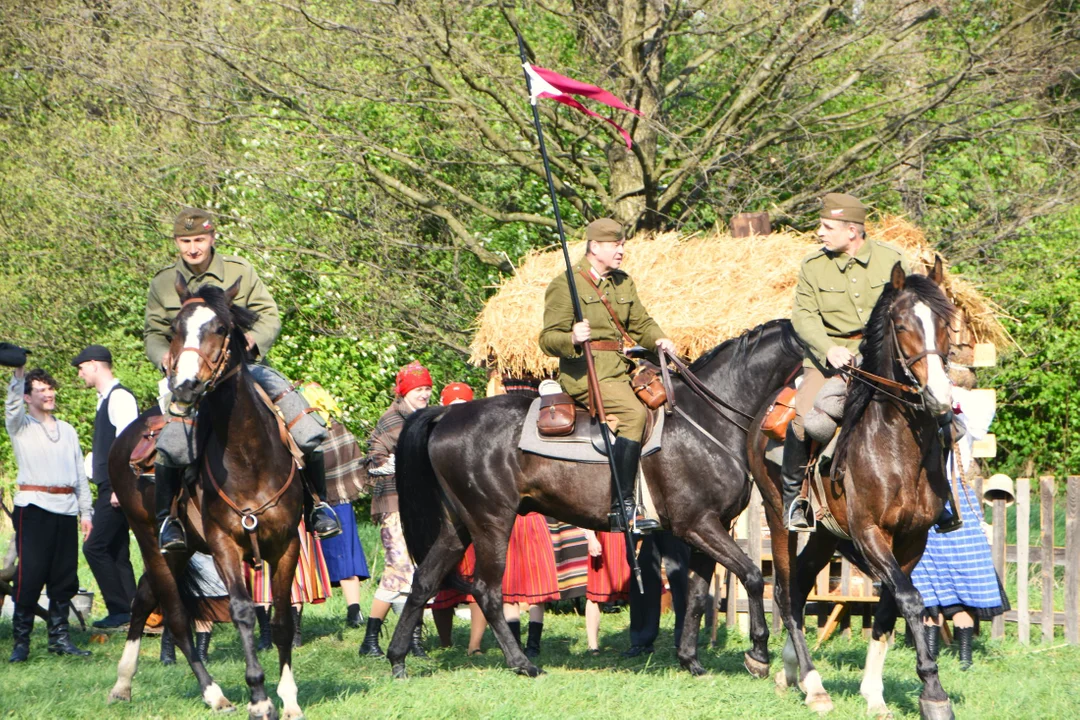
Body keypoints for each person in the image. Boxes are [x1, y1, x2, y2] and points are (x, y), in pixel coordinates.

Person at [144, 207, 340, 552]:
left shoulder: (239, 271)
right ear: (176, 242)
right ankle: (168, 520)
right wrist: (163, 355)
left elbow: (269, 316)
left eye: (199, 240)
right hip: (188, 377)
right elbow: (154, 333)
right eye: (185, 241)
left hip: (241, 371)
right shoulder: (163, 283)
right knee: (171, 438)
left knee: (304, 424)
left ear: (212, 238)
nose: (193, 248)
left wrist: (255, 340)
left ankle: (318, 506)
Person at [784, 193, 959, 533]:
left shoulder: (891, 259)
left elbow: (911, 307)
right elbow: (803, 318)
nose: (820, 232)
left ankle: (943, 498)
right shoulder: (813, 266)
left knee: (943, 417)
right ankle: (798, 499)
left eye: (827, 227)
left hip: (881, 356)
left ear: (852, 231)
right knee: (805, 420)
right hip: (830, 357)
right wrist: (828, 349)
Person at [539, 218, 674, 533]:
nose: (622, 250)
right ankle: (622, 506)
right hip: (586, 375)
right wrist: (571, 337)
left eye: (622, 244)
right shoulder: (565, 285)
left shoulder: (622, 283)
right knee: (633, 416)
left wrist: (658, 339)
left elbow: (640, 321)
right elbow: (547, 339)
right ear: (594, 246)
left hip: (619, 371)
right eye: (616, 244)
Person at [911, 380, 1008, 670]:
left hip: (957, 497)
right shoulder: (917, 410)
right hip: (925, 499)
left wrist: (952, 400)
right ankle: (929, 656)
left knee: (965, 575)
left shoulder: (962, 407)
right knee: (926, 581)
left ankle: (965, 659)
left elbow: (983, 412)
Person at [4, 361, 93, 662]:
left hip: (66, 509)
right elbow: (12, 407)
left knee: (64, 576)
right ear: (28, 397)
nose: (48, 394)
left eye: (50, 388)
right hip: (34, 507)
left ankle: (59, 639)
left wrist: (86, 512)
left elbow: (79, 474)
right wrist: (18, 375)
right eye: (40, 390)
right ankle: (22, 642)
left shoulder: (67, 431)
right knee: (30, 575)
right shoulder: (21, 426)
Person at [358, 361, 432, 659]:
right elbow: (374, 459)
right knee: (398, 570)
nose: (424, 394)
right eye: (418, 389)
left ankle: (412, 638)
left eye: (427, 388)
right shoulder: (392, 419)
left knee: (419, 572)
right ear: (404, 391)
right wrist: (405, 463)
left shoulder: (427, 418)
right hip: (395, 504)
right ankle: (370, 639)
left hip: (421, 505)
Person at [72, 344, 140, 630]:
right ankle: (135, 609)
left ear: (95, 364)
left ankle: (119, 608)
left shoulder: (119, 398)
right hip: (109, 486)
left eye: (81, 368)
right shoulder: (104, 400)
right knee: (116, 550)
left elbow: (129, 444)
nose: (80, 375)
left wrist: (118, 487)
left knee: (94, 548)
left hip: (116, 487)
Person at [298, 382, 371, 630]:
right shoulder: (338, 428)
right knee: (344, 561)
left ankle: (298, 619)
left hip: (312, 506)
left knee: (305, 563)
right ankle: (354, 612)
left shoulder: (303, 431)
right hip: (337, 503)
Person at [623, 531, 689, 657]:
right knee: (643, 580)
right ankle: (641, 641)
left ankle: (684, 643)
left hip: (674, 523)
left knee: (681, 580)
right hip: (644, 521)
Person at [582, 529, 630, 655]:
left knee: (635, 593)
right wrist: (591, 538)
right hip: (603, 537)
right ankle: (593, 646)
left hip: (629, 537)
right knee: (595, 595)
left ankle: (639, 643)